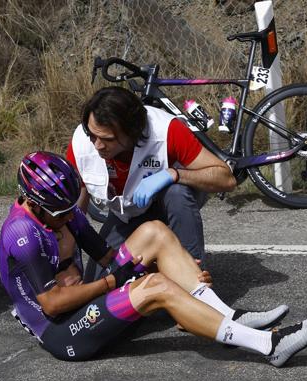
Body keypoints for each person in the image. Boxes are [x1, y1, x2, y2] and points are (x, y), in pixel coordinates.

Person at [0, 151, 307, 366]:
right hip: (64, 332)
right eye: (61, 212)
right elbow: (53, 304)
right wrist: (120, 280)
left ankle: (224, 315)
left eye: (72, 208)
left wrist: (170, 268)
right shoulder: (22, 235)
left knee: (153, 232)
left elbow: (108, 255)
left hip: (86, 304)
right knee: (157, 287)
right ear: (32, 202)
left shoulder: (65, 213)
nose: (70, 217)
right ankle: (269, 344)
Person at [66, 86, 236, 275]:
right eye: (93, 135)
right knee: (98, 285)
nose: (97, 145)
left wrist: (174, 174)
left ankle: (194, 279)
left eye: (108, 139)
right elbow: (74, 211)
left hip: (168, 202)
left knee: (177, 193)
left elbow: (227, 179)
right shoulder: (81, 143)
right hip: (127, 213)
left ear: (132, 131)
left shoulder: (166, 130)